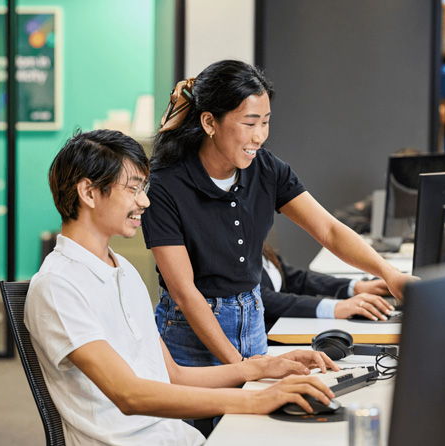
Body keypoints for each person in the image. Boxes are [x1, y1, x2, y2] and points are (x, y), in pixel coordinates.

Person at [24, 129, 338, 445]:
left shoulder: (123, 271)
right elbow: (128, 395)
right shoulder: (57, 286)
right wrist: (256, 401)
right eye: (133, 189)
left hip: (174, 437)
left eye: (143, 188)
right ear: (89, 193)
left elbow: (173, 375)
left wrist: (261, 367)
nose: (144, 201)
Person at [141, 59, 417, 368]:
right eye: (249, 123)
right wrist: (245, 368)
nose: (259, 136)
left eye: (265, 122)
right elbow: (184, 293)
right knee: (212, 414)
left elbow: (329, 230)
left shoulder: (266, 168)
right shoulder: (166, 182)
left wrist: (389, 273)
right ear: (209, 123)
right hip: (190, 334)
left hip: (253, 321)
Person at [261, 243, 394, 332]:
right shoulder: (241, 250)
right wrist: (336, 307)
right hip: (266, 338)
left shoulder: (259, 245)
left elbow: (295, 279)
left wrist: (355, 287)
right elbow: (262, 299)